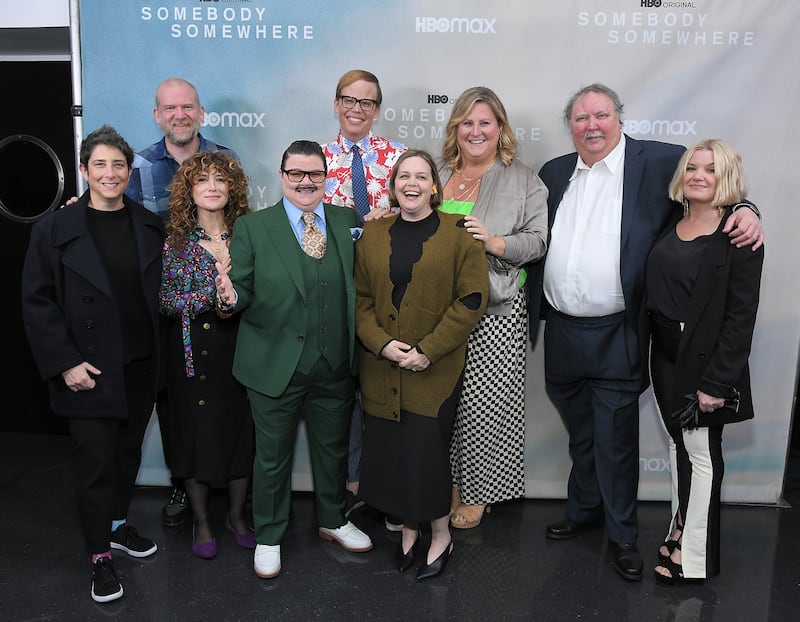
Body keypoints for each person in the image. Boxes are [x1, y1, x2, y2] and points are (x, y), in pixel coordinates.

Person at [528, 83, 763, 581]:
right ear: (569, 125)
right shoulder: (553, 172)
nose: (591, 125)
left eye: (602, 115)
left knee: (615, 436)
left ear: (619, 118)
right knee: (582, 432)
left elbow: (712, 181)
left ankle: (622, 536)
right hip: (562, 331)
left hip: (620, 329)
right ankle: (584, 510)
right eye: (580, 117)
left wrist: (748, 209)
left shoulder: (659, 162)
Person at [214, 140, 373, 579]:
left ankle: (333, 518)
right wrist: (227, 297)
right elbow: (239, 290)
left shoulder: (347, 220)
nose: (305, 182)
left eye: (314, 174)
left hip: (335, 363)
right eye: (296, 174)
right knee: (272, 456)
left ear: (327, 177)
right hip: (274, 365)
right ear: (282, 177)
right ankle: (268, 535)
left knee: (333, 450)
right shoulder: (252, 227)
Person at [21, 125, 164, 603]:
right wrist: (65, 363)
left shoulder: (148, 224)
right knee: (96, 465)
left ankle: (118, 526)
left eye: (118, 165)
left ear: (129, 171)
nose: (110, 173)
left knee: (126, 457)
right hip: (86, 371)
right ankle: (99, 556)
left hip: (139, 366)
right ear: (84, 171)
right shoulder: (54, 230)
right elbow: (37, 302)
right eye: (99, 165)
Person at [356, 149, 488, 580]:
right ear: (392, 185)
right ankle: (408, 532)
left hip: (435, 369)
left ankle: (441, 535)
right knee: (394, 455)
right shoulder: (373, 235)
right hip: (382, 368)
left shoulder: (459, 232)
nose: (411, 184)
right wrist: (382, 345)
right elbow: (359, 301)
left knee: (426, 455)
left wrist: (427, 350)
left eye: (421, 176)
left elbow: (471, 300)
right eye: (403, 176)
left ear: (436, 185)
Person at [645, 139, 763, 585]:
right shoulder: (671, 219)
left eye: (710, 170)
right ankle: (680, 528)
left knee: (702, 456)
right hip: (663, 354)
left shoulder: (739, 234)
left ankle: (695, 558)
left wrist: (716, 383)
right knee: (680, 448)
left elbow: (740, 319)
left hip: (704, 363)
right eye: (692, 167)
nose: (698, 175)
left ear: (726, 177)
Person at [126, 77, 240, 529]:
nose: (179, 114)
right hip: (162, 301)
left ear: (201, 112)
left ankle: (228, 487)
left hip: (223, 308)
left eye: (187, 107)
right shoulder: (135, 164)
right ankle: (181, 480)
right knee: (172, 398)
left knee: (228, 401)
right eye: (170, 108)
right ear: (158, 115)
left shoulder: (225, 158)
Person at [437, 86, 548, 530]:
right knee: (440, 402)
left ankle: (479, 493)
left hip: (494, 309)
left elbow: (539, 241)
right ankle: (445, 485)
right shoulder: (437, 171)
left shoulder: (524, 179)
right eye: (467, 122)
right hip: (436, 311)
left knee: (484, 404)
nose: (476, 131)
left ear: (499, 128)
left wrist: (495, 242)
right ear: (456, 129)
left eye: (485, 122)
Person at [322, 69, 407, 527]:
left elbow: (419, 215)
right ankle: (352, 490)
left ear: (377, 109)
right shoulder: (313, 159)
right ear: (336, 103)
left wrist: (391, 213)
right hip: (333, 293)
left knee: (383, 393)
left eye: (367, 102)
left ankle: (386, 488)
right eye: (348, 100)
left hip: (387, 294)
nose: (356, 109)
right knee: (341, 397)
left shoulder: (398, 158)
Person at [159, 151, 255, 559]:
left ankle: (236, 516)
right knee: (195, 436)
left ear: (232, 188)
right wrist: (213, 295)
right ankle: (201, 521)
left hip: (244, 347)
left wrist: (236, 297)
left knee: (240, 432)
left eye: (220, 179)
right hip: (193, 354)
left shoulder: (250, 234)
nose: (212, 187)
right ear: (189, 191)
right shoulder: (175, 242)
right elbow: (165, 299)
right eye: (203, 181)